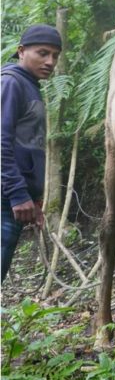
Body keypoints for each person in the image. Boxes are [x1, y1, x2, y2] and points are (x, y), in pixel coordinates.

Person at [1, 24, 62, 282]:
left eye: (55, 56)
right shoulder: (10, 83)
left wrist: (33, 199)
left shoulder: (30, 86)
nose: (50, 61)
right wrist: (17, 194)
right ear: (21, 51)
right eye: (43, 53)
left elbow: (26, 147)